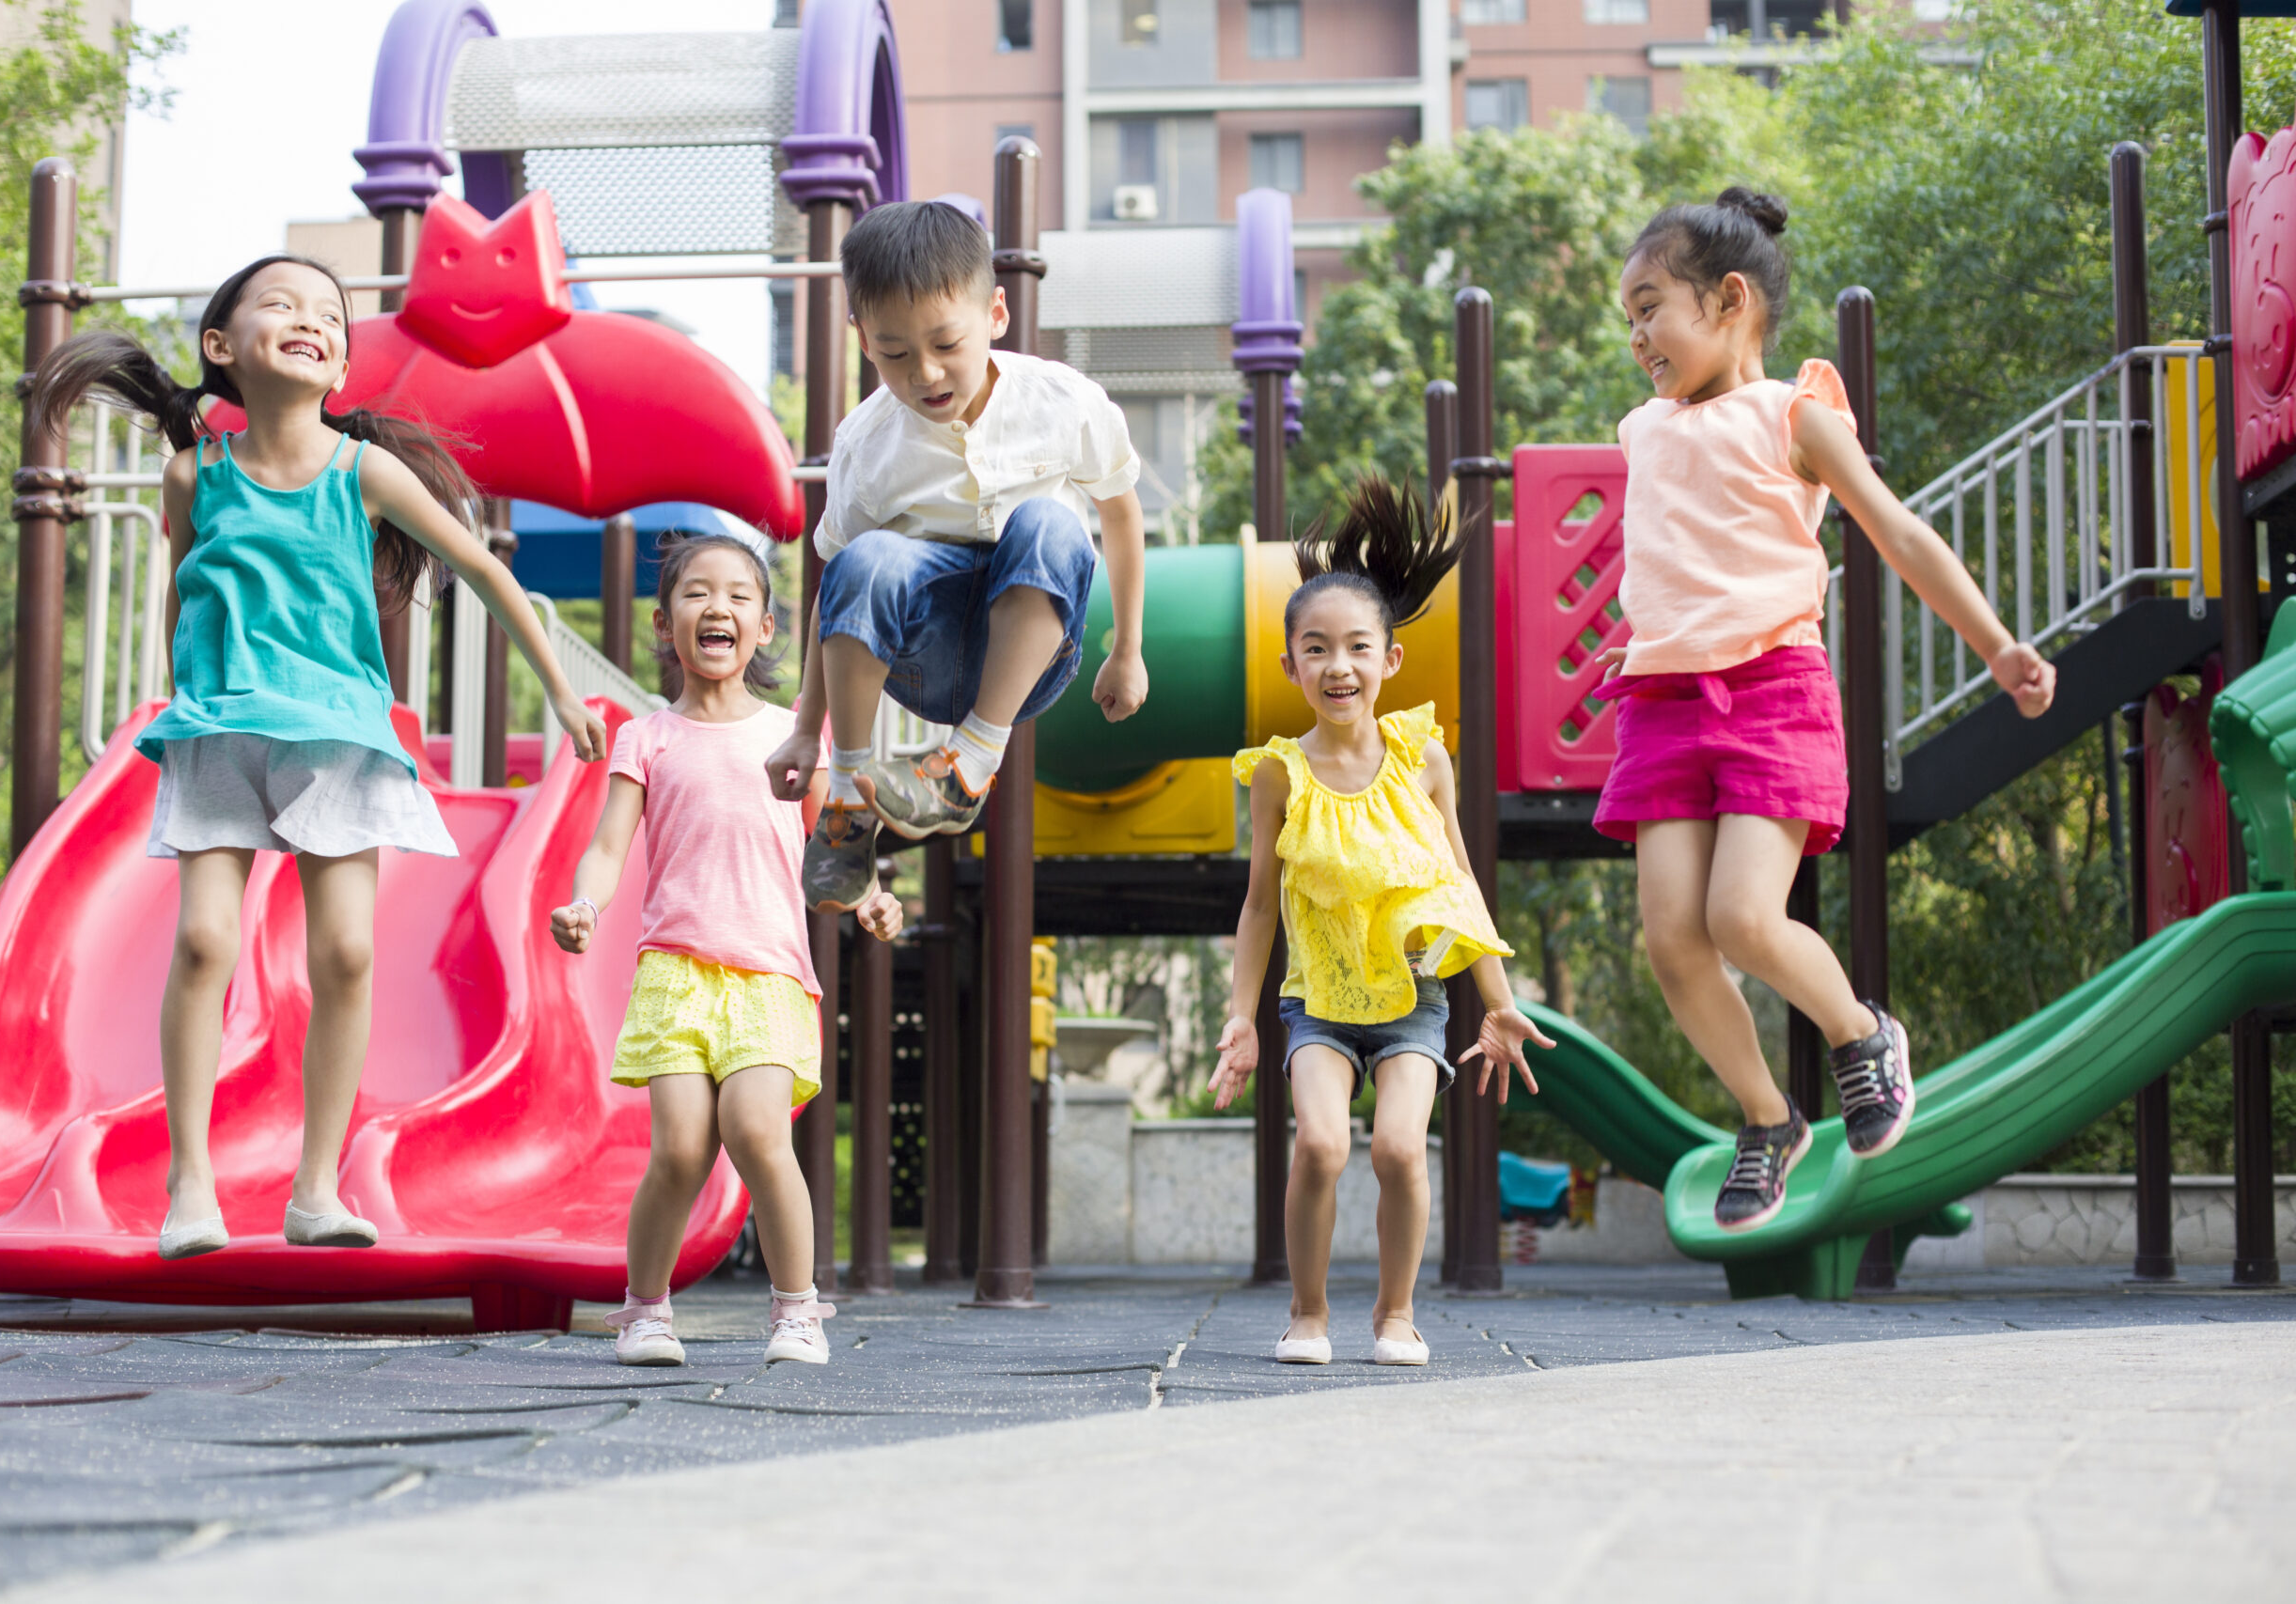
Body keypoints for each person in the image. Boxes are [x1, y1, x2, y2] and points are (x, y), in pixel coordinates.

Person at [25, 255, 606, 1262]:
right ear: (221, 349)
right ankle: (189, 1184)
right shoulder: (192, 476)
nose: (312, 321)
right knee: (207, 941)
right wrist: (177, 693)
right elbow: (183, 587)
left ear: (340, 360)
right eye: (282, 306)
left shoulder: (361, 473)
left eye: (328, 315)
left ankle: (314, 1189)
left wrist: (559, 688)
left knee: (343, 954)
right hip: (217, 727)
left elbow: (477, 564)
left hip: (338, 733)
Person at [1600, 188, 2057, 1232]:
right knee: (1672, 937)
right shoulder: (1642, 429)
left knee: (1742, 917)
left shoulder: (1793, 413)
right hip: (1662, 700)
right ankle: (1767, 1119)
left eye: (1648, 308)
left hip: (1770, 688)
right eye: (1625, 318)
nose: (1636, 337)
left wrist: (1995, 646)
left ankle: (1859, 1035)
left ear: (1727, 301)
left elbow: (1897, 534)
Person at [1208, 479, 1551, 1368]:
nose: (1338, 666)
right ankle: (1308, 1314)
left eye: (1357, 647)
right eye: (1315, 649)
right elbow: (1256, 904)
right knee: (1322, 1143)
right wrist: (1241, 1017)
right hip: (1316, 999)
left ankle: (1396, 1315)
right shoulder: (1280, 774)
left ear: (1390, 660)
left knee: (1399, 1147)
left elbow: (1460, 880)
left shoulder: (1422, 759)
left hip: (1414, 1001)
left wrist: (1499, 1000)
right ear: (1290, 667)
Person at [553, 533, 901, 1367]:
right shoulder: (648, 737)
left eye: (739, 596)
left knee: (755, 1130)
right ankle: (643, 1309)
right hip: (674, 969)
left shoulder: (793, 736)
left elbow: (839, 843)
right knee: (677, 1147)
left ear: (768, 627)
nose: (718, 608)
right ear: (665, 625)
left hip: (772, 971)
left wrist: (875, 897)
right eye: (697, 594)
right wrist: (584, 902)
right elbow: (608, 844)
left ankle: (796, 1309)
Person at [762, 200, 1148, 905]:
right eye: (896, 354)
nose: (927, 374)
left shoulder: (1061, 400)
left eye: (947, 343)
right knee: (862, 558)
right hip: (920, 655)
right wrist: (804, 731)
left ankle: (969, 765)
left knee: (1052, 525)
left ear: (995, 314)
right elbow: (838, 591)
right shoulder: (866, 441)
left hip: (1030, 657)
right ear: (862, 339)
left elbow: (1120, 515)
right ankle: (848, 800)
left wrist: (1128, 649)